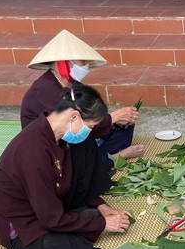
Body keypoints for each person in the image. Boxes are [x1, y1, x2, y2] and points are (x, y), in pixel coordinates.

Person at [0, 84, 130, 249]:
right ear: (74, 116)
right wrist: (103, 224)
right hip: (24, 224)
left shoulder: (57, 133)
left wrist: (101, 206)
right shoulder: (33, 153)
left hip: (49, 205)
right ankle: (73, 232)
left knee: (85, 147)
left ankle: (79, 225)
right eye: (89, 126)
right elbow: (49, 219)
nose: (87, 131)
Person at [21, 29, 145, 162]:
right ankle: (113, 158)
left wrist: (116, 121)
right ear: (63, 63)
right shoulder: (44, 89)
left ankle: (101, 157)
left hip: (77, 131)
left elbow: (87, 116)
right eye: (82, 61)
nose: (86, 66)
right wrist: (112, 118)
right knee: (85, 146)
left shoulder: (72, 84)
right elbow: (72, 126)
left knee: (123, 127)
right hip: (55, 146)